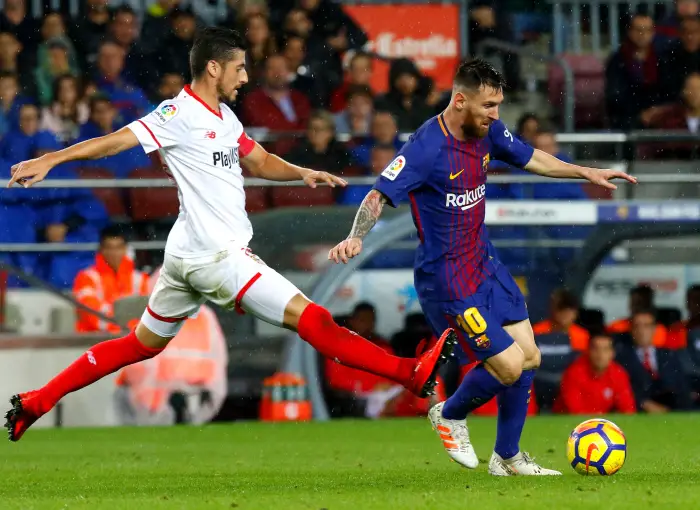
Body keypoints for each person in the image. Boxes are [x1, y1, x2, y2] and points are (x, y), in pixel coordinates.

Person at [4, 27, 454, 442]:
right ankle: (410, 373)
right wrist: (50, 161)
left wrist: (302, 173)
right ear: (213, 67)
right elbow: (116, 140)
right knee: (312, 319)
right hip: (217, 256)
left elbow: (257, 162)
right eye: (239, 68)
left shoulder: (226, 118)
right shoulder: (176, 112)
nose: (244, 78)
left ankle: (38, 400)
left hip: (184, 256)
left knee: (138, 345)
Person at [329, 58, 636, 476]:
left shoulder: (487, 131)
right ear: (460, 101)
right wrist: (356, 235)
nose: (496, 115)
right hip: (448, 280)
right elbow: (378, 194)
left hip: (485, 263)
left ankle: (507, 458)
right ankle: (450, 414)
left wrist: (585, 171)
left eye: (499, 105)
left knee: (529, 357)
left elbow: (533, 159)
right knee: (506, 365)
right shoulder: (425, 148)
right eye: (489, 106)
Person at [73, 226, 149, 333]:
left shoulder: (140, 279)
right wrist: (127, 326)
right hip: (95, 342)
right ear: (101, 250)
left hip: (130, 340)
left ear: (125, 249)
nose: (114, 253)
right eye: (109, 247)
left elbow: (147, 315)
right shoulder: (86, 278)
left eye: (118, 247)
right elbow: (92, 315)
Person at [553, 333, 636, 415]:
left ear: (612, 353)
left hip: (599, 422)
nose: (600, 354)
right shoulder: (574, 373)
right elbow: (575, 411)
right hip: (567, 424)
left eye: (605, 349)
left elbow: (628, 409)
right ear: (588, 351)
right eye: (596, 349)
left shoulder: (618, 373)